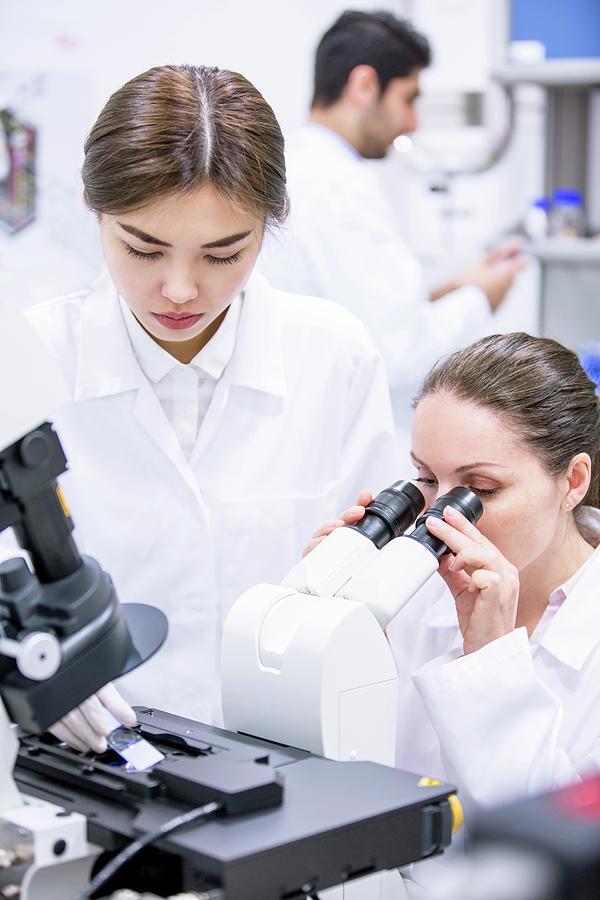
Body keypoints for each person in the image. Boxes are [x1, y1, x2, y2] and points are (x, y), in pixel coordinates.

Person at [14, 64, 398, 752]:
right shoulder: (27, 365)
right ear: (96, 214)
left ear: (269, 226)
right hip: (74, 776)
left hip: (281, 768)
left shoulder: (332, 357)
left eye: (224, 253)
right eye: (142, 248)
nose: (181, 289)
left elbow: (379, 600)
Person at [310, 332, 600, 842]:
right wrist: (334, 640)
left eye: (479, 491)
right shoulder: (409, 593)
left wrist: (490, 661)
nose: (439, 517)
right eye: (424, 479)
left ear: (573, 481)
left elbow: (564, 852)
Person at [259, 10, 526, 450]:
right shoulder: (339, 188)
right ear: (364, 85)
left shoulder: (291, 167)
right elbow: (401, 356)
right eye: (409, 98)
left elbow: (361, 310)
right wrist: (483, 296)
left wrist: (457, 285)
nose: (412, 123)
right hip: (334, 439)